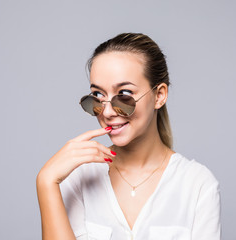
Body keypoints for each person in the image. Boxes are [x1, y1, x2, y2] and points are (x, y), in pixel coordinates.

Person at [36, 33, 221, 240]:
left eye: (124, 95)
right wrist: (46, 181)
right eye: (97, 96)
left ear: (159, 95)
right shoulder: (79, 177)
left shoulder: (197, 185)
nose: (106, 112)